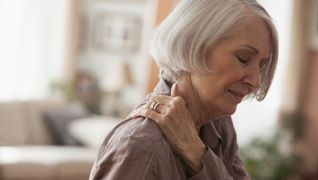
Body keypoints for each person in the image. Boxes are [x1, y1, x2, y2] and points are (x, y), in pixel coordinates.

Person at [89, 0, 278, 179]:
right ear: (192, 45)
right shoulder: (142, 148)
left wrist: (198, 154)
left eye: (262, 65)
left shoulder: (220, 126)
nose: (255, 81)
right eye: (243, 58)